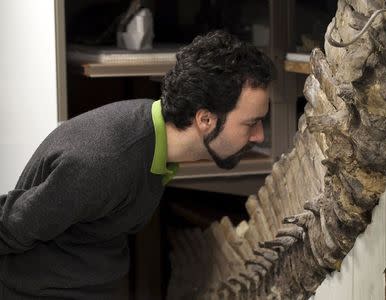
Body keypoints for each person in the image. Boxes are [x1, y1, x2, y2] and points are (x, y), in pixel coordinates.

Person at [0, 30, 275, 299]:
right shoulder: (107, 162)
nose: (259, 135)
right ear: (205, 120)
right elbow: (10, 226)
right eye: (251, 123)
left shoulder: (153, 144)